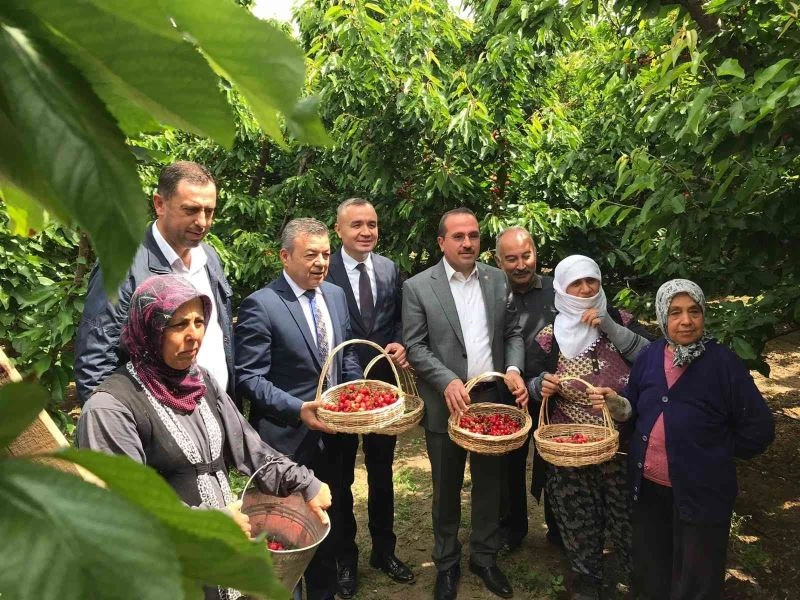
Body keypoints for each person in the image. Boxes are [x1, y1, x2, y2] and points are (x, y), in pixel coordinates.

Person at [77, 274, 332, 600]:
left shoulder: (199, 382)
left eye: (199, 322)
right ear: (149, 329)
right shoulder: (111, 407)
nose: (193, 335)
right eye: (178, 324)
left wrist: (303, 482)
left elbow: (249, 447)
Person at [590, 279, 774, 600]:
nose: (685, 321)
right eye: (675, 312)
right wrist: (616, 404)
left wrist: (714, 456)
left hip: (702, 494)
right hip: (648, 490)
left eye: (694, 311)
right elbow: (632, 409)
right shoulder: (650, 357)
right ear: (663, 317)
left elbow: (759, 429)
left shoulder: (723, 364)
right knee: (652, 571)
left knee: (696, 581)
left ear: (703, 315)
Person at [403, 208, 528, 600]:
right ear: (441, 242)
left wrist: (512, 368)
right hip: (447, 403)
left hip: (491, 401)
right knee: (445, 486)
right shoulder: (420, 286)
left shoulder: (495, 279)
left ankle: (485, 557)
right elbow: (416, 346)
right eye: (458, 236)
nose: (467, 242)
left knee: (490, 485)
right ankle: (446, 563)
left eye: (473, 235)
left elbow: (513, 333)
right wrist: (446, 380)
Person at [234, 218, 363, 600]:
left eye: (325, 254)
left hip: (334, 441)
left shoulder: (336, 296)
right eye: (311, 255)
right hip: (285, 445)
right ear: (285, 256)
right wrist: (298, 408)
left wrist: (353, 394)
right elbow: (250, 378)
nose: (321, 262)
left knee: (327, 525)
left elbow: (347, 357)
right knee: (287, 539)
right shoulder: (263, 304)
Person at [530, 255, 652, 600]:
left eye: (591, 281)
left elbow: (654, 359)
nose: (585, 290)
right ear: (561, 289)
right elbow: (529, 381)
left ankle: (634, 581)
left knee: (627, 518)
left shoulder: (621, 320)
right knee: (578, 519)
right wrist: (541, 384)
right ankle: (586, 582)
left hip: (621, 443)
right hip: (569, 446)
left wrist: (609, 327)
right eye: (576, 284)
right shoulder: (548, 336)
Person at [75, 161, 234, 405]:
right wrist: (112, 426)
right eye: (191, 210)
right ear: (159, 204)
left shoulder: (209, 258)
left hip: (213, 413)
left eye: (209, 211)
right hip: (153, 423)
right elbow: (95, 361)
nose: (202, 222)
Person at [325, 198, 414, 597]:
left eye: (372, 224)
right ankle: (345, 557)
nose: (366, 232)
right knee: (340, 479)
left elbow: (397, 317)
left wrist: (399, 342)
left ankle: (384, 551)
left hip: (382, 392)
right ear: (339, 230)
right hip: (340, 392)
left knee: (382, 472)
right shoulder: (324, 269)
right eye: (357, 225)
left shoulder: (390, 268)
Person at [493, 226, 561, 551]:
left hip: (552, 393)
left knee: (554, 459)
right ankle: (512, 527)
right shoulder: (489, 291)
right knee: (509, 464)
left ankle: (559, 527)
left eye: (526, 255)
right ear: (497, 260)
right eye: (511, 259)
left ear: (535, 253)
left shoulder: (556, 291)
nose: (521, 265)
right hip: (507, 393)